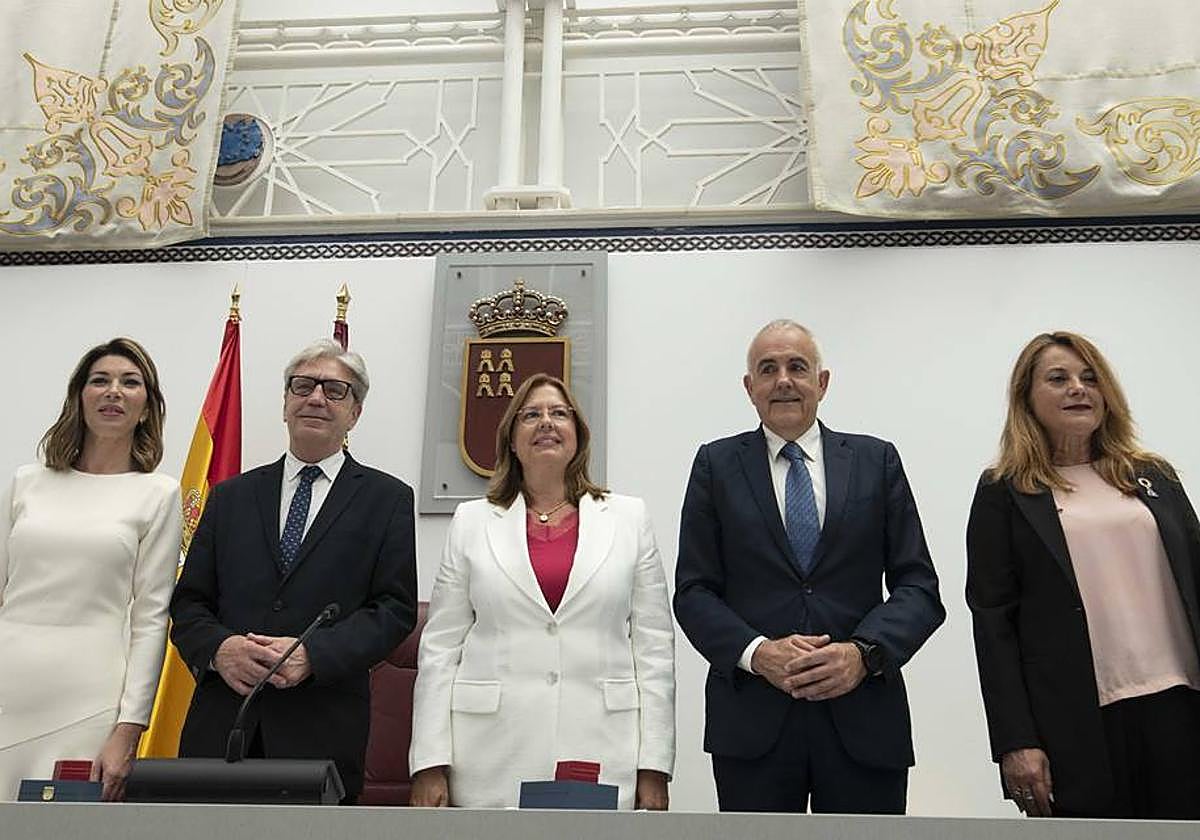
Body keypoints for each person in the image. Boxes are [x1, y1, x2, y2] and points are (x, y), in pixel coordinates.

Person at [673, 319, 944, 814]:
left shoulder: (876, 460)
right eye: (767, 369)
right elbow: (693, 592)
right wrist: (758, 653)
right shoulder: (715, 465)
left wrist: (862, 654)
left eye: (797, 367)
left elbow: (918, 586)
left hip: (864, 719)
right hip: (753, 722)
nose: (783, 380)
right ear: (749, 388)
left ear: (822, 383)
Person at [409, 373, 675, 809]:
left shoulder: (629, 519)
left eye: (559, 413)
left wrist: (655, 766)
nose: (546, 422)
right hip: (489, 753)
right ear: (512, 440)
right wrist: (429, 762)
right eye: (531, 415)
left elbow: (654, 650)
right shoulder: (471, 522)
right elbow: (440, 649)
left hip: (604, 748)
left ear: (578, 435)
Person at [170, 339, 417, 803]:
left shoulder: (387, 500)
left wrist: (315, 655)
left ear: (355, 413)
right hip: (221, 728)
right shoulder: (230, 497)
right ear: (285, 403)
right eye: (302, 386)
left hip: (321, 733)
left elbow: (393, 610)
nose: (316, 398)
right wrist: (220, 649)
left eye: (335, 390)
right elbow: (188, 603)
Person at [967, 331, 1200, 819]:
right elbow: (994, 627)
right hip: (1078, 722)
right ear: (1026, 398)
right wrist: (1017, 742)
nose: (1078, 388)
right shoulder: (1004, 493)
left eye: (1090, 378)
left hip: (1182, 703)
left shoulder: (1155, 477)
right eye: (1059, 378)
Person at [0, 338, 181, 801]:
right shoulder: (27, 483)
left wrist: (129, 728)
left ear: (146, 407)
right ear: (79, 398)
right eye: (99, 381)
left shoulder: (158, 495)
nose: (113, 391)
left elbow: (150, 619)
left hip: (87, 703)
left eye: (129, 382)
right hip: (9, 685)